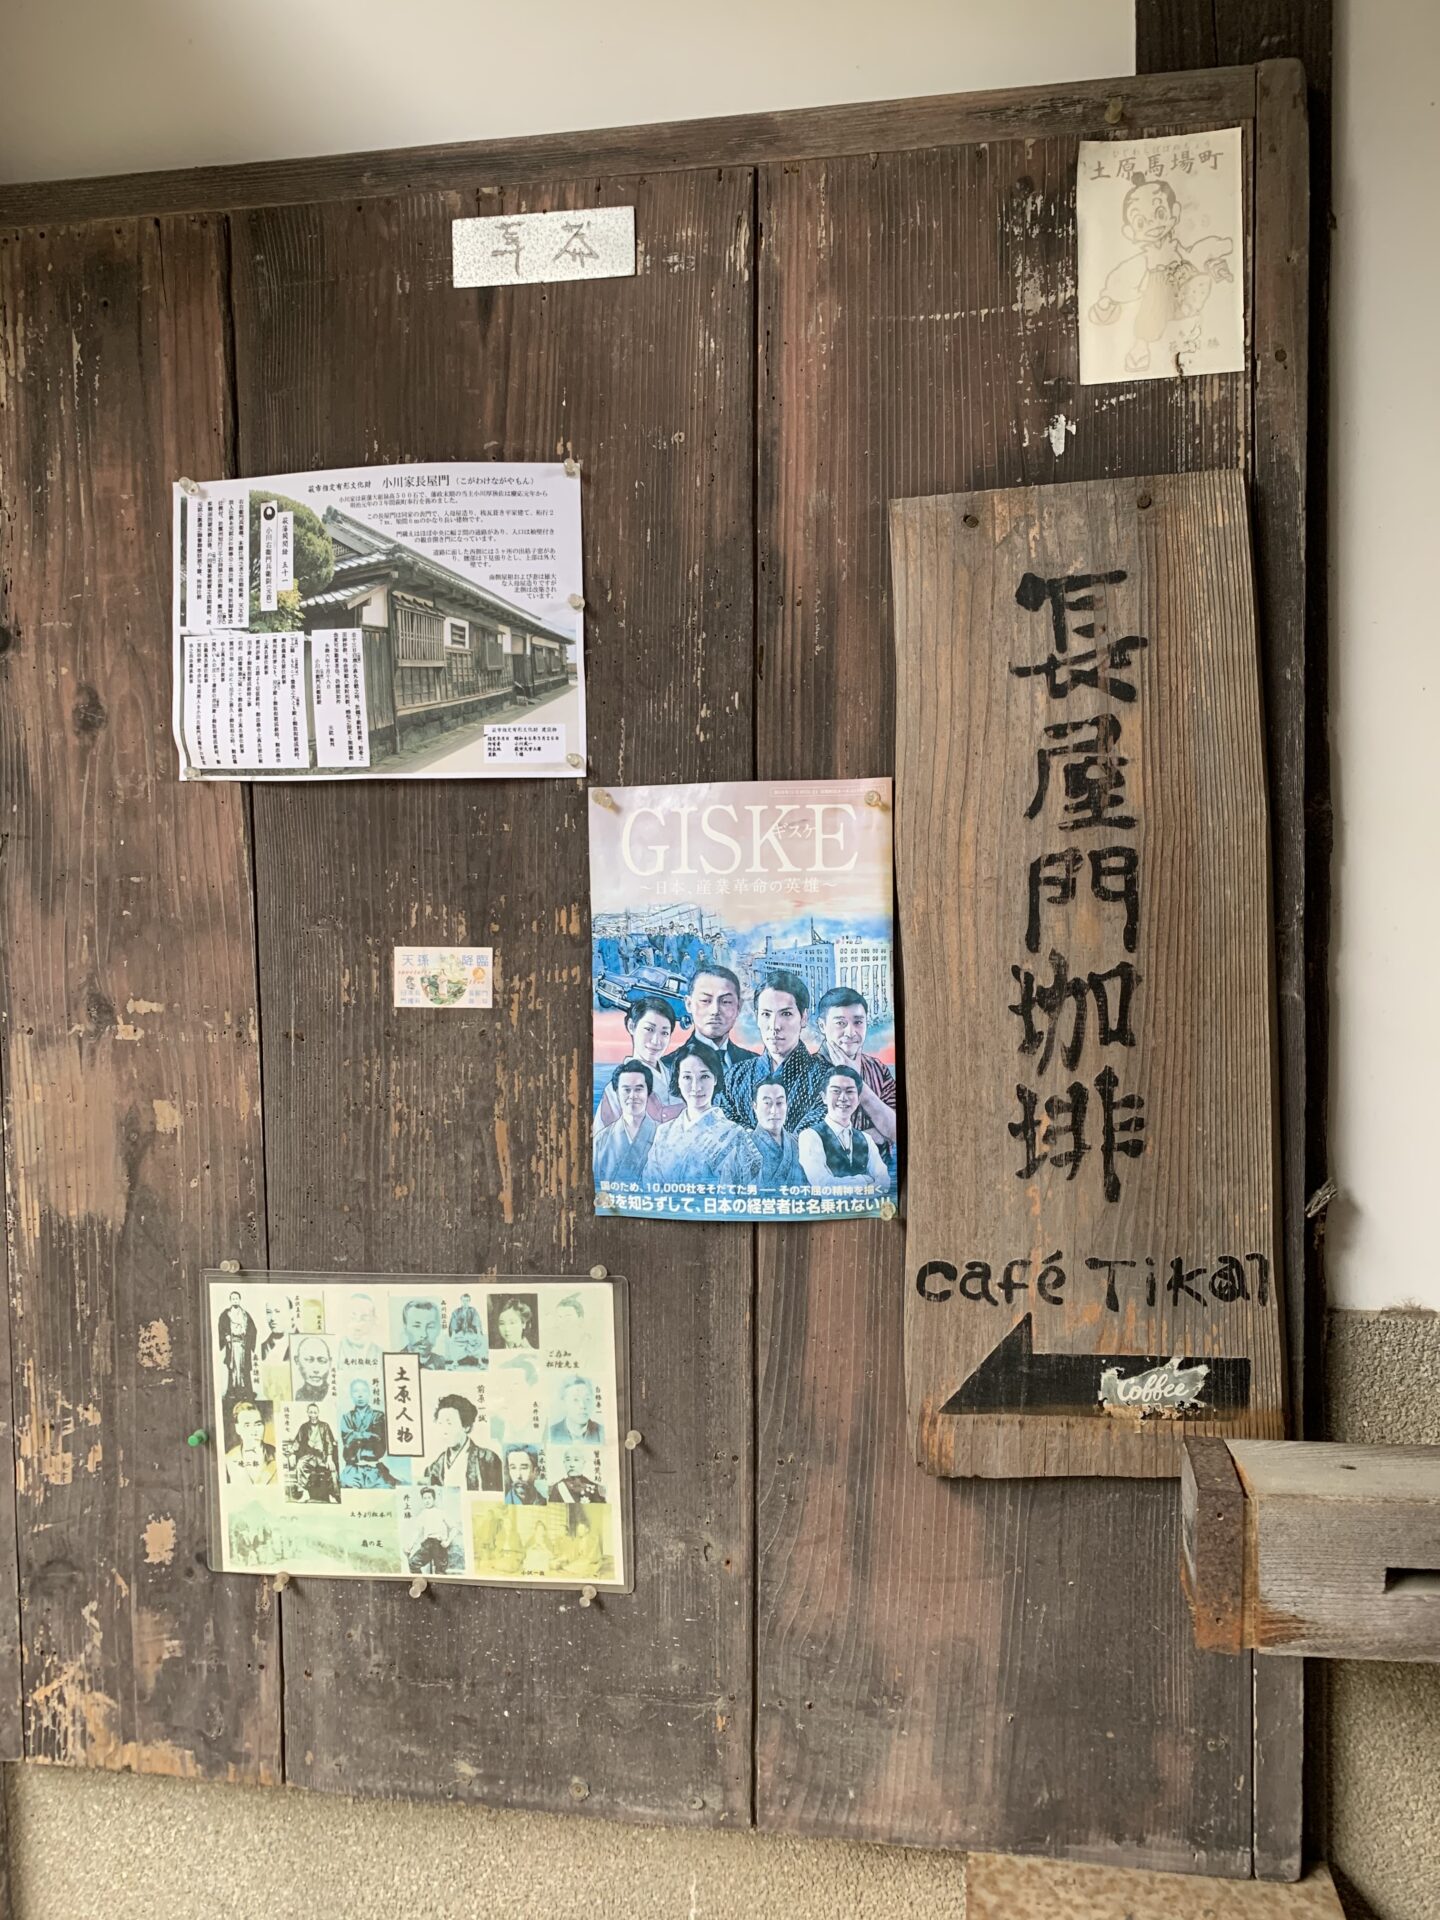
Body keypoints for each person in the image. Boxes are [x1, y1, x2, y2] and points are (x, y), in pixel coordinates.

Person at [1086, 176, 1234, 374]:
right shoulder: (1145, 260)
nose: (1153, 224)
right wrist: (1110, 297)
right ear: (1129, 231)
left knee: (1196, 282)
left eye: (1160, 213)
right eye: (1141, 222)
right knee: (1153, 306)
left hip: (1182, 282)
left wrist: (1215, 259)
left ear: (1175, 213)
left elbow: (1194, 255)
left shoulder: (1178, 249)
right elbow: (1125, 275)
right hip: (1158, 293)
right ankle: (1140, 347)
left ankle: (1188, 307)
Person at [719, 971, 832, 1132]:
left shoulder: (827, 1079)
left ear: (803, 1017)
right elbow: (721, 1129)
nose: (774, 1025)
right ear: (757, 1017)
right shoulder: (735, 1076)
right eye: (766, 1014)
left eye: (786, 1014)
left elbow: (812, 1139)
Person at [645, 1039, 761, 1189]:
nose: (696, 1087)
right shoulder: (664, 1132)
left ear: (715, 1079)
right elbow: (650, 1185)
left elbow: (749, 1189)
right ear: (678, 1080)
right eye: (687, 1077)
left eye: (704, 1076)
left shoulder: (735, 1135)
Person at [815, 986, 897, 1153]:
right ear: (822, 1026)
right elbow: (815, 1142)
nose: (851, 1032)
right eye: (840, 1023)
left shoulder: (877, 1068)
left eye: (858, 1022)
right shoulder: (808, 1070)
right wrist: (878, 1135)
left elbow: (897, 1131)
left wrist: (860, 1085)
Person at [797, 1064, 889, 1194]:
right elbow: (823, 1185)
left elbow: (884, 1182)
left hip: (864, 1207)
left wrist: (850, 1188)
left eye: (850, 1091)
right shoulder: (810, 1136)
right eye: (836, 1091)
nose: (843, 1098)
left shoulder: (866, 1139)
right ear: (824, 1097)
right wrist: (865, 1180)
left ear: (858, 1099)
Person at [595, 995, 683, 1126]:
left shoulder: (677, 1077)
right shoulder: (616, 1088)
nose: (656, 1041)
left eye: (664, 1033)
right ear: (631, 1026)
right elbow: (602, 1136)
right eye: (649, 1029)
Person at [669, 965, 754, 1083]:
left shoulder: (754, 1064)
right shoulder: (668, 1066)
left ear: (739, 1006)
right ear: (689, 1004)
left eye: (726, 1002)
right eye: (705, 1001)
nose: (715, 1010)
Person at [592, 1059, 659, 1185]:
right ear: (617, 1093)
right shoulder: (600, 1141)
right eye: (626, 1090)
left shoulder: (664, 1136)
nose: (632, 1096)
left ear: (648, 1092)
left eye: (638, 1089)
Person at [423, 1392, 502, 1491]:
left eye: (449, 1423)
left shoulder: (488, 1459)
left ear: (466, 1426)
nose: (444, 1430)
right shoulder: (433, 1468)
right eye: (440, 1424)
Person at [751, 1078, 803, 1190]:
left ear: (787, 1105)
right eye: (767, 1103)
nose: (774, 1111)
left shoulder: (799, 1144)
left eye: (779, 1103)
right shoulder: (743, 1146)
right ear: (755, 1106)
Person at [405, 1488, 460, 1576]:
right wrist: (410, 1545)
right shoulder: (422, 1514)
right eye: (424, 1498)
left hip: (439, 1544)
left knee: (440, 1572)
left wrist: (447, 1542)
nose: (427, 1501)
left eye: (429, 1498)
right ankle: (423, 1582)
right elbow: (417, 1531)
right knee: (413, 1563)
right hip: (427, 1544)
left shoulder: (441, 1512)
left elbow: (454, 1528)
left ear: (433, 1499)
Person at [292, 1402, 339, 1503]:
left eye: (315, 1412)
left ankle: (332, 1495)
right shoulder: (304, 1427)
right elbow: (297, 1441)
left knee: (331, 1468)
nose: (313, 1415)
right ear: (307, 1413)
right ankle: (304, 1493)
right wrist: (292, 1452)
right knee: (300, 1464)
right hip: (309, 1456)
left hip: (323, 1456)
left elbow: (329, 1442)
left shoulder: (325, 1426)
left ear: (318, 1413)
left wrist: (329, 1457)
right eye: (311, 1412)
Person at [224, 1401, 276, 1486]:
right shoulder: (229, 1459)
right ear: (238, 1428)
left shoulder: (277, 1454)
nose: (253, 1431)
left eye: (258, 1424)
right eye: (247, 1425)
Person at [217, 1290, 257, 1397]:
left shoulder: (245, 1314)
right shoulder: (226, 1314)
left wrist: (248, 1340)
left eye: (237, 1298)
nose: (235, 1300)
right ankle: (232, 1391)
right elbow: (221, 1327)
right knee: (233, 1367)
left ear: (240, 1300)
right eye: (233, 1299)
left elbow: (253, 1329)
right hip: (232, 1345)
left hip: (243, 1344)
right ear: (230, 1300)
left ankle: (246, 1391)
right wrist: (226, 1336)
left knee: (244, 1368)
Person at [339, 1376, 385, 1464]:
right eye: (356, 1391)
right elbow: (348, 1439)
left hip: (373, 1464)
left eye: (364, 1391)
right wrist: (367, 1435)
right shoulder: (347, 1417)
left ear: (369, 1393)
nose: (360, 1395)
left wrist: (356, 1435)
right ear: (351, 1395)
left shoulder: (378, 1415)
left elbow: (378, 1437)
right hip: (352, 1465)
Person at [548, 1376, 604, 1447]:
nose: (583, 1406)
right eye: (575, 1400)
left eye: (587, 1399)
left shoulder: (601, 1431)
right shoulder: (551, 1433)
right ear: (564, 1403)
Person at [399, 1297, 450, 1370]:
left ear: (438, 1330)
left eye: (430, 1327)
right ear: (405, 1328)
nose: (424, 1335)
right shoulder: (395, 1361)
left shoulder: (443, 1363)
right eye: (417, 1326)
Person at [336, 1292, 382, 1367]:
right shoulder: (336, 1351)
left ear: (374, 1320)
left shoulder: (381, 1354)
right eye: (353, 1317)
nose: (358, 1323)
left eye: (364, 1317)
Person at [446, 1292, 487, 1366]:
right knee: (452, 1342)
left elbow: (477, 1321)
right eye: (463, 1300)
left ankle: (480, 1362)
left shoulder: (473, 1310)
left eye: (467, 1300)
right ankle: (455, 1362)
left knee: (480, 1341)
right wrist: (453, 1335)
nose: (465, 1302)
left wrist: (478, 1334)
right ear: (461, 1301)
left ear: (469, 1301)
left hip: (471, 1333)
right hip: (461, 1333)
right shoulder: (456, 1311)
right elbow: (453, 1323)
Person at [291, 1335, 333, 1401]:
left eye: (322, 1361)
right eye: (309, 1360)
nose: (316, 1370)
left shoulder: (334, 1394)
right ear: (297, 1361)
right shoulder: (296, 1396)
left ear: (330, 1362)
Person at [258, 1298, 294, 1367]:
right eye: (269, 1312)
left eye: (278, 1311)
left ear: (291, 1313)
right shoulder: (262, 1347)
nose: (272, 1318)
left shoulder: (300, 1343)